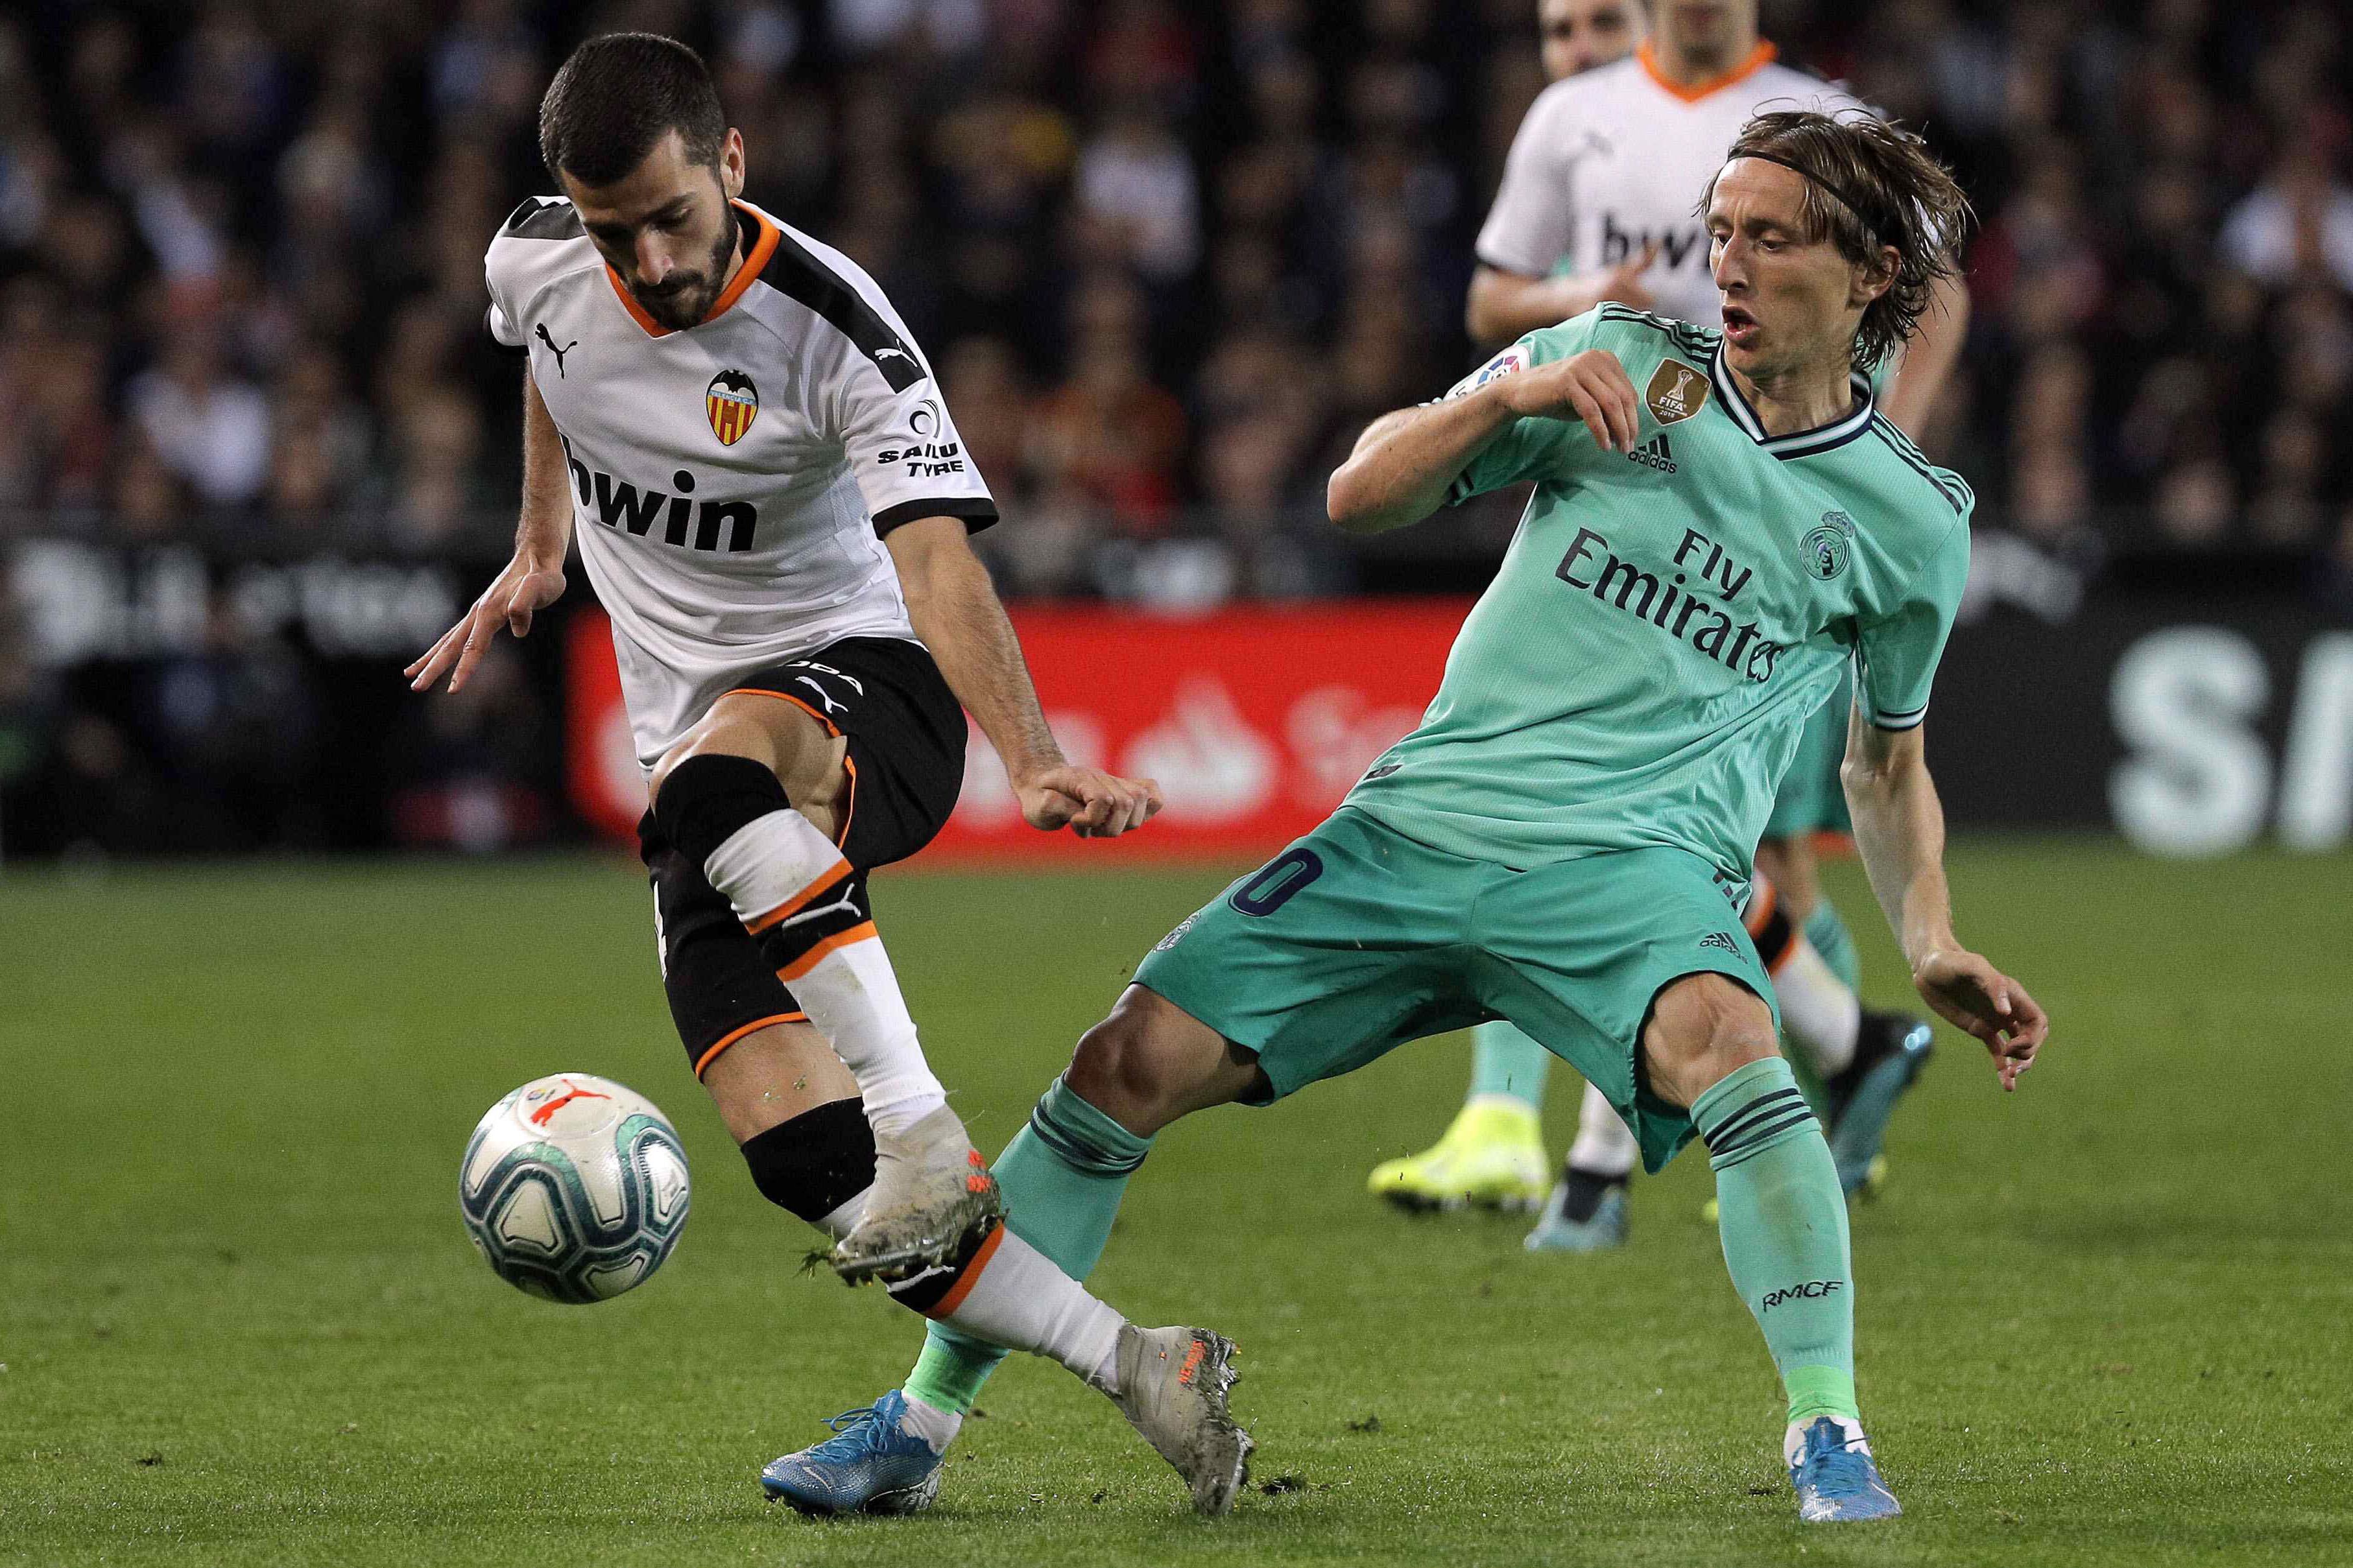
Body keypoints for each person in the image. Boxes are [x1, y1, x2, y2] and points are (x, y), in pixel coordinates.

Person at [791, 107, 2044, 1525]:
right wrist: (1506, 401)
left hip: (1628, 871)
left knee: (1733, 1046)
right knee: (1122, 1063)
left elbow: (1885, 765)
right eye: (1718, 233)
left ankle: (1828, 1434)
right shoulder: (1621, 361)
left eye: (1767, 238)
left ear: (1873, 273)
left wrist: (1929, 934)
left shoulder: (1906, 521)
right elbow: (1354, 492)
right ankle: (914, 1423)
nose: (1727, 265)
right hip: (1410, 833)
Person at [405, 34, 1249, 1516]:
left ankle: (927, 1130)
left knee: (716, 789)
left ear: (732, 164)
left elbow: (935, 567)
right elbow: (547, 367)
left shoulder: (834, 326)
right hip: (704, 769)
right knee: (812, 1168)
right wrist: (541, 546)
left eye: (672, 216)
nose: (649, 260)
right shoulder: (537, 264)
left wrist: (1033, 758)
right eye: (614, 232)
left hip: (870, 695)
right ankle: (1141, 1369)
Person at [1375, 0, 1964, 1246]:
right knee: (1636, 836)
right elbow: (1494, 301)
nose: (1571, 44)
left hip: (1778, 547)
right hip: (1621, 478)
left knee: (1705, 850)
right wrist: (1589, 304)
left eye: (1585, 22)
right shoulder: (1571, 120)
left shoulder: (1828, 123)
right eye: (1554, 25)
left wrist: (1862, 453)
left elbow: (1933, 291)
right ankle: (1823, 1054)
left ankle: (1599, 1155)